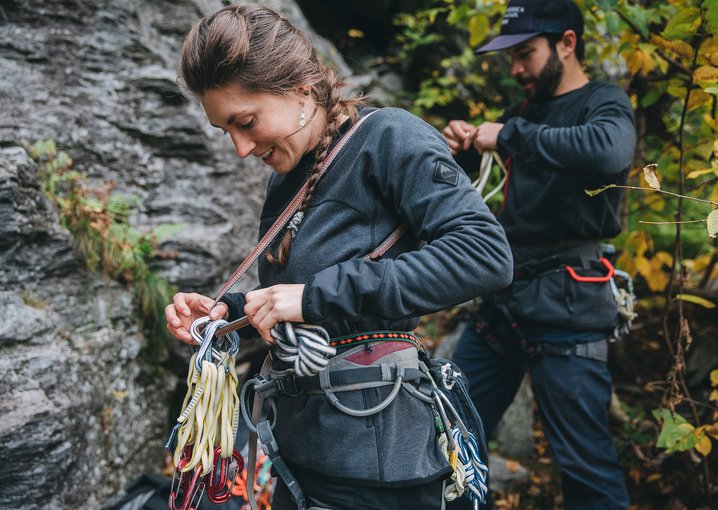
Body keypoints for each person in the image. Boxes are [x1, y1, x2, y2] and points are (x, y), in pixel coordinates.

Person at [164, 4, 513, 509]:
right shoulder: (288, 177)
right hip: (304, 455)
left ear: (300, 89)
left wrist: (312, 295)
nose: (240, 148)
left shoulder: (389, 137)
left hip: (382, 463)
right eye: (226, 132)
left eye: (246, 122)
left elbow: (485, 254)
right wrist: (229, 314)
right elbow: (312, 306)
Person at [443, 0, 636, 509]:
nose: (516, 68)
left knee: (586, 465)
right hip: (503, 305)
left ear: (566, 43)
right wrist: (465, 150)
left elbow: (609, 152)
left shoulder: (605, 103)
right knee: (452, 435)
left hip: (569, 306)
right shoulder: (524, 112)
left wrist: (507, 135)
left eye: (525, 53)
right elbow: (486, 193)